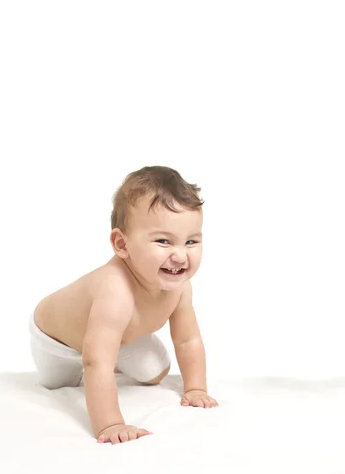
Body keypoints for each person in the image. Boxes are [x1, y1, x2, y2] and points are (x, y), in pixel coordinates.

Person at [29, 165, 218, 445]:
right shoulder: (115, 290)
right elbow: (94, 362)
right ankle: (99, 356)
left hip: (121, 338)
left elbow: (188, 339)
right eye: (163, 241)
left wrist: (195, 388)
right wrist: (111, 424)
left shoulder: (180, 287)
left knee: (156, 373)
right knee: (59, 384)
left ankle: (112, 351)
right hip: (57, 341)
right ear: (122, 244)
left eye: (191, 241)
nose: (180, 255)